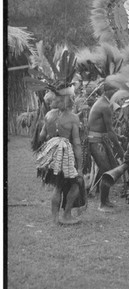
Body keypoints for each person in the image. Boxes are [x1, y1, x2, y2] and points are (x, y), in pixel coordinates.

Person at [36, 92, 85, 225]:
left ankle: (54, 219)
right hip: (66, 155)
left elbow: (42, 136)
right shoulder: (73, 118)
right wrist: (79, 167)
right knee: (76, 184)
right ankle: (67, 216)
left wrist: (53, 142)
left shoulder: (49, 115)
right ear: (70, 100)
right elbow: (77, 143)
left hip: (52, 156)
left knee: (57, 187)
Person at [87, 81, 125, 212]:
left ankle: (106, 201)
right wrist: (120, 150)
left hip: (98, 140)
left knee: (108, 170)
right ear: (108, 91)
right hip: (96, 141)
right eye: (115, 91)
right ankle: (102, 204)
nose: (117, 94)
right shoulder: (105, 106)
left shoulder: (104, 102)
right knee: (107, 171)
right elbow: (109, 131)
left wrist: (118, 138)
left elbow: (106, 129)